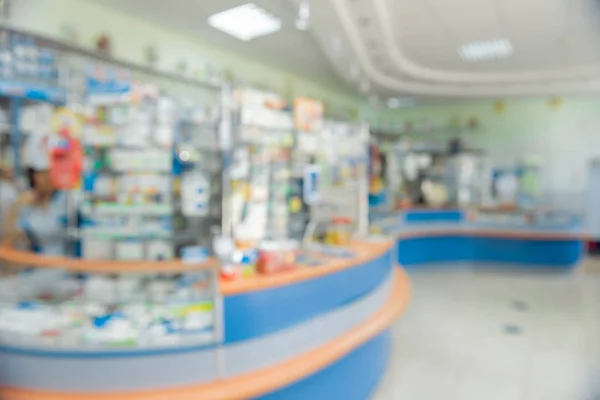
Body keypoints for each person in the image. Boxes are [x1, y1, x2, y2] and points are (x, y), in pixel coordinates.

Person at [3, 132, 72, 256]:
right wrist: (16, 208)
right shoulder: (24, 203)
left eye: (49, 174)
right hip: (35, 269)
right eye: (40, 174)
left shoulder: (67, 200)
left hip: (64, 269)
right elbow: (10, 242)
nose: (46, 180)